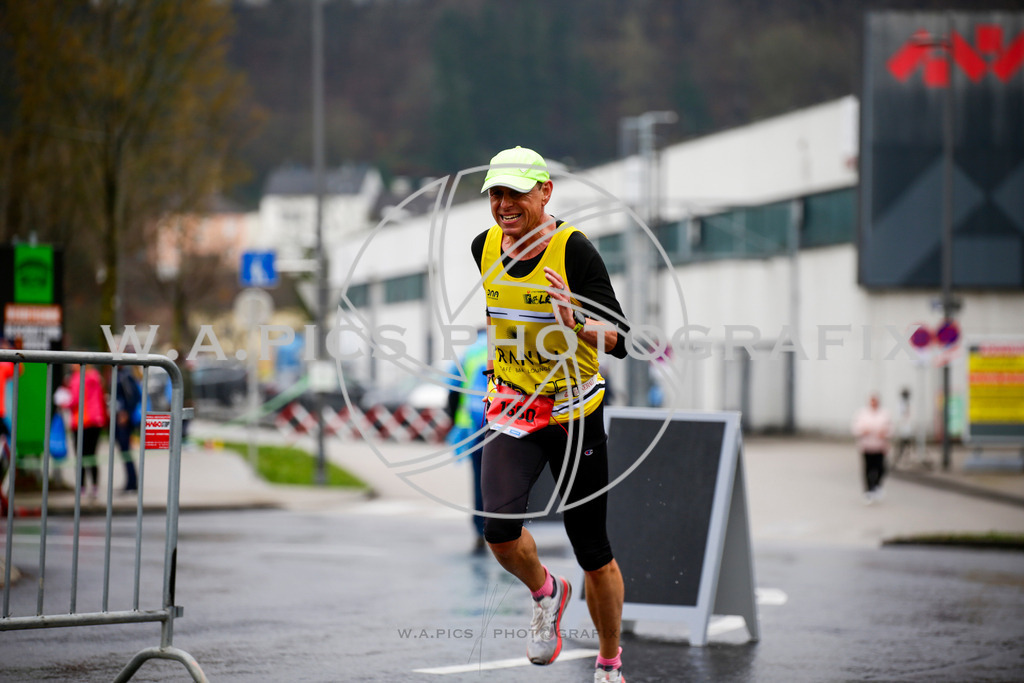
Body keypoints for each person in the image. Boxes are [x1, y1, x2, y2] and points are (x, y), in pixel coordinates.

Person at [473, 146, 630, 683]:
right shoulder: (484, 246)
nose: (504, 204)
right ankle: (547, 592)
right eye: (496, 193)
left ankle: (608, 663)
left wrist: (576, 321)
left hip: (573, 412)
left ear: (545, 192)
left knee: (593, 551)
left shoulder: (574, 250)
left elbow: (621, 339)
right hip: (513, 407)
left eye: (516, 192)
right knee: (498, 531)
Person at [444, 327, 490, 553]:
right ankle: (510, 528)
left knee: (480, 480)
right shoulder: (508, 347)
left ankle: (480, 529)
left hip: (474, 426)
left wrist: (455, 420)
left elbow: (452, 392)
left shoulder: (468, 354)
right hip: (505, 424)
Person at [63, 364, 108, 500]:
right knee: (92, 454)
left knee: (80, 455)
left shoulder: (77, 379)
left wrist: (63, 402)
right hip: (96, 420)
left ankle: (81, 487)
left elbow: (75, 399)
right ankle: (94, 486)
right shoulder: (96, 378)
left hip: (81, 421)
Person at [851, 393, 892, 504]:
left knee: (881, 469)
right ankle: (868, 490)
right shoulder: (862, 413)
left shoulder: (884, 414)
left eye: (875, 401)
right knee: (868, 469)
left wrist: (885, 433)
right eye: (872, 401)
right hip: (867, 446)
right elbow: (855, 428)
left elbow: (890, 429)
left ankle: (876, 485)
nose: (873, 403)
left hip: (880, 446)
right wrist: (863, 430)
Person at [113, 365, 142, 492]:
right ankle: (130, 482)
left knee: (126, 452)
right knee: (124, 452)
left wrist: (126, 413)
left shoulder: (125, 375)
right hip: (119, 418)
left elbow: (135, 396)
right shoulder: (119, 374)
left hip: (124, 420)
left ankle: (132, 483)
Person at [892, 387, 914, 469]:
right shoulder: (900, 403)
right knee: (900, 446)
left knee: (907, 446)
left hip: (908, 429)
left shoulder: (909, 403)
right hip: (902, 429)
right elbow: (900, 416)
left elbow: (910, 415)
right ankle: (898, 460)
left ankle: (906, 460)